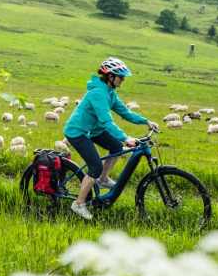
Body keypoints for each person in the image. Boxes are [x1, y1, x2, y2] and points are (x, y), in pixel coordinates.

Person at [63, 57, 158, 220]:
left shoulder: (110, 93)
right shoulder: (98, 93)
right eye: (121, 77)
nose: (123, 80)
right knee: (95, 166)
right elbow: (106, 121)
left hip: (92, 130)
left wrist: (146, 121)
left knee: (116, 148)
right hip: (77, 132)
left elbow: (125, 113)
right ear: (110, 76)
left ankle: (102, 179)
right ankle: (78, 204)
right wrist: (125, 137)